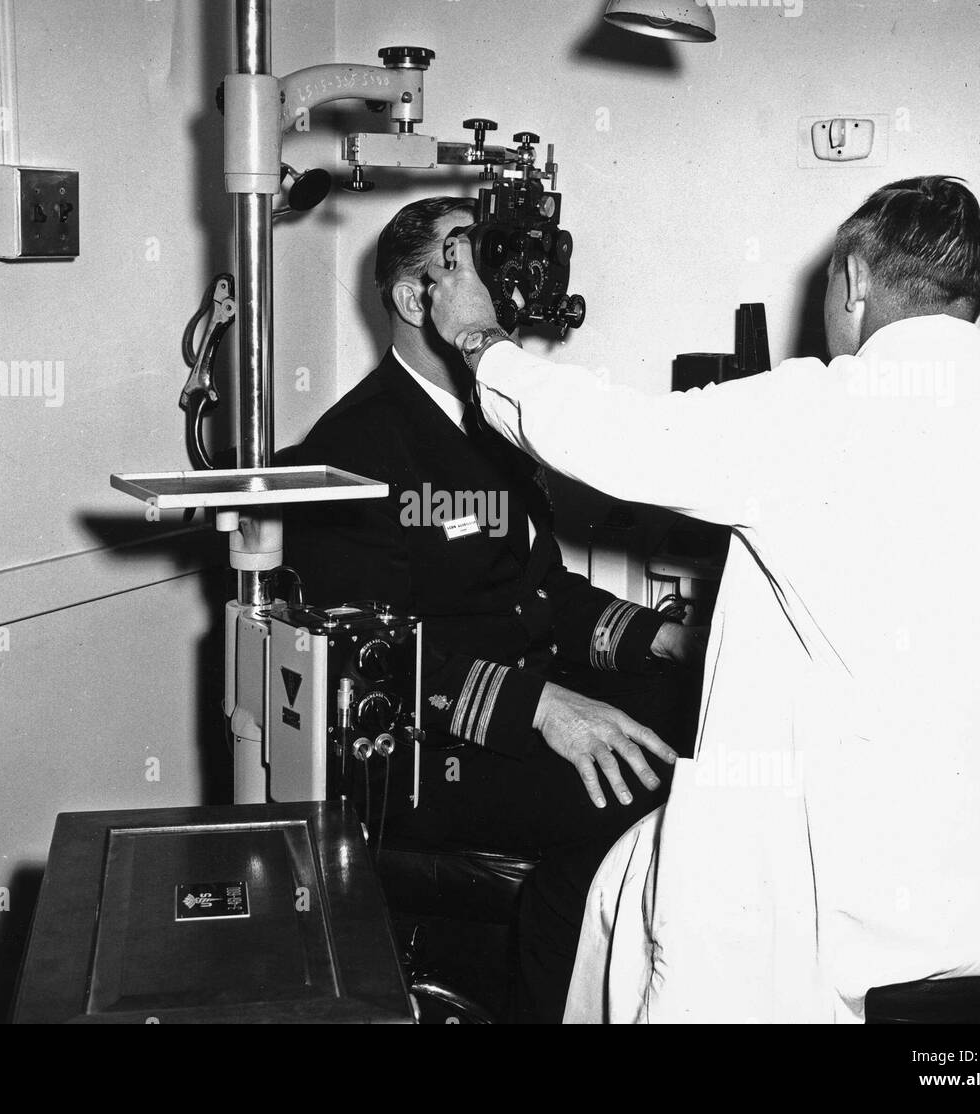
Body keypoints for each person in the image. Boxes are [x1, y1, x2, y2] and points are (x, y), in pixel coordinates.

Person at [427, 175, 980, 1023]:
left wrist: (480, 339)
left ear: (855, 279)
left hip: (852, 930)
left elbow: (616, 435)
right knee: (615, 882)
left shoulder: (825, 409)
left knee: (607, 907)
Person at [281, 196, 703, 1023]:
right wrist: (544, 708)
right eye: (470, 261)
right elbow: (368, 659)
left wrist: (667, 640)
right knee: (616, 799)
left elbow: (543, 591)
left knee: (707, 722)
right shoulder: (355, 447)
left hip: (527, 704)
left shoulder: (494, 422)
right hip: (423, 752)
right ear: (415, 299)